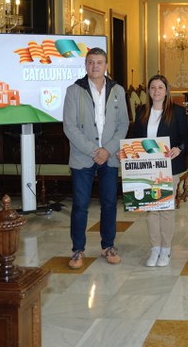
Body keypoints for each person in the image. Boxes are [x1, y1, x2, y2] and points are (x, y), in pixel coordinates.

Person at [63, 47, 130, 269]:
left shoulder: (118, 90)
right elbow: (69, 127)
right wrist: (95, 151)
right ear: (85, 65)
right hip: (83, 157)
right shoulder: (74, 90)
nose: (95, 66)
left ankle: (108, 246)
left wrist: (107, 150)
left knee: (109, 204)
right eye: (91, 62)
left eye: (99, 62)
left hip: (109, 158)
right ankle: (78, 250)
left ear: (106, 65)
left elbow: (123, 124)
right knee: (80, 205)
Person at [127, 75, 188, 267]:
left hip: (169, 166)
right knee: (152, 209)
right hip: (147, 168)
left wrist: (179, 148)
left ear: (166, 90)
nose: (156, 91)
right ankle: (155, 248)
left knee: (166, 209)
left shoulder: (177, 111)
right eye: (152, 87)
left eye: (160, 87)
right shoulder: (141, 111)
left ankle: (166, 249)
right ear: (148, 91)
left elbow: (185, 137)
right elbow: (135, 138)